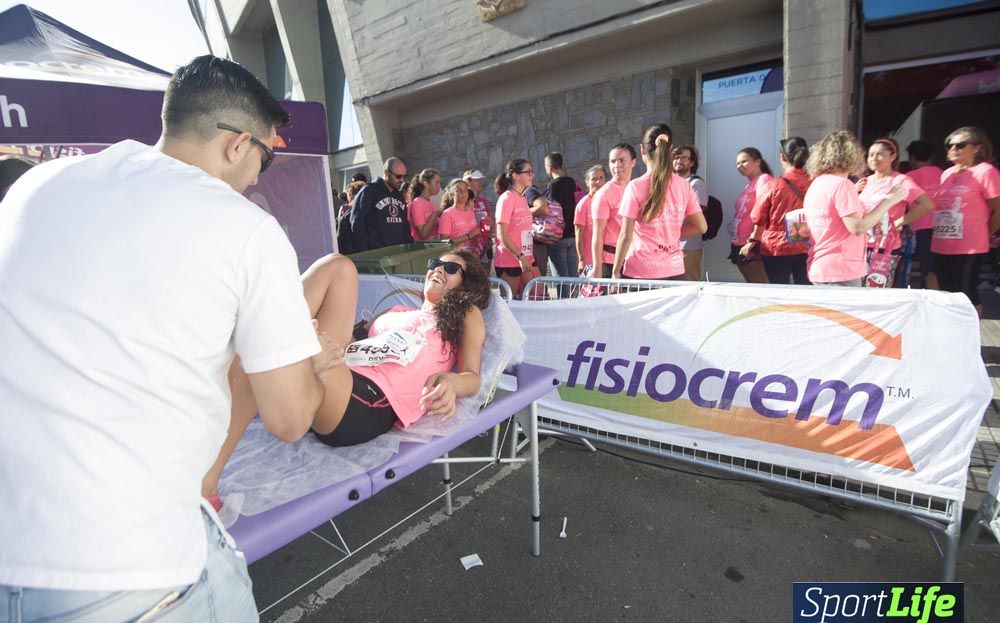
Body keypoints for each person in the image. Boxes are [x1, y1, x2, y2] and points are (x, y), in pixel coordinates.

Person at [0, 55, 339, 622]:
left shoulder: (36, 185)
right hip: (134, 571)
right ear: (236, 145)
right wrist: (311, 358)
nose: (261, 174)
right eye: (267, 155)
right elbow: (288, 417)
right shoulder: (245, 228)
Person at [202, 250, 489, 496]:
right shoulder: (396, 311)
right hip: (339, 374)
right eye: (434, 264)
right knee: (333, 271)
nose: (438, 269)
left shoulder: (466, 313)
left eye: (451, 268)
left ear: (466, 285)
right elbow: (352, 342)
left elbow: (472, 377)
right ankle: (289, 348)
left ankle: (206, 482)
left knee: (272, 336)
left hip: (368, 401)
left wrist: (451, 382)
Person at [803, 130, 906, 286]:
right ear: (851, 155)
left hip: (820, 266)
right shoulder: (842, 185)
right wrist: (888, 201)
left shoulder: (816, 185)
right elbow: (857, 227)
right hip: (842, 269)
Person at [613, 123, 707, 280]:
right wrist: (674, 231)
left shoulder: (636, 186)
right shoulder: (684, 185)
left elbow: (626, 236)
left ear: (642, 150)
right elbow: (702, 226)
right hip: (674, 269)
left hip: (641, 272)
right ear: (670, 149)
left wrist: (616, 271)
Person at [931, 126, 1000, 315]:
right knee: (947, 293)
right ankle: (953, 334)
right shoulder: (947, 173)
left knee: (966, 293)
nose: (953, 149)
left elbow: (998, 208)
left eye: (960, 145)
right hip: (941, 243)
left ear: (977, 148)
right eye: (949, 145)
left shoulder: (985, 171)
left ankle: (971, 339)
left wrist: (986, 234)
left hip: (970, 245)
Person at [857, 138, 933, 286]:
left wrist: (899, 222)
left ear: (893, 156)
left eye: (880, 154)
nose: (874, 158)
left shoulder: (900, 180)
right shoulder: (866, 181)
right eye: (871, 154)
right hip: (861, 246)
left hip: (885, 248)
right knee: (859, 293)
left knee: (878, 293)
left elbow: (926, 204)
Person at [740, 137, 812, 284]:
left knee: (779, 291)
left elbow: (758, 217)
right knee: (807, 292)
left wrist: (752, 241)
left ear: (783, 157)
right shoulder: (816, 182)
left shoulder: (773, 185)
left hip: (777, 247)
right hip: (808, 244)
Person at [590, 143, 637, 278]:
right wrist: (597, 267)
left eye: (622, 160)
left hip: (634, 260)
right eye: (612, 161)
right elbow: (597, 234)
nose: (617, 166)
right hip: (610, 261)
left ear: (633, 162)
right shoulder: (604, 194)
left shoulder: (636, 189)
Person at [493, 158, 538, 297]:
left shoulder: (523, 198)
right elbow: (502, 235)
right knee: (509, 304)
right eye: (528, 172)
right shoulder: (506, 198)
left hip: (527, 257)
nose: (532, 175)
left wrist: (526, 256)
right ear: (516, 175)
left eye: (532, 172)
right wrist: (520, 256)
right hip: (510, 259)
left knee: (539, 296)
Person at [729, 147, 773, 283]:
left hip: (752, 243)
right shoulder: (749, 185)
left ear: (757, 161)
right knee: (751, 284)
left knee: (760, 285)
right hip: (739, 241)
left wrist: (753, 241)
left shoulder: (763, 179)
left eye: (744, 161)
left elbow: (764, 210)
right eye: (737, 163)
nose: (739, 166)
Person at [350, 157, 411, 251]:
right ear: (386, 173)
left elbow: (405, 226)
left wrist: (408, 247)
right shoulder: (369, 191)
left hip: (398, 253)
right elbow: (356, 221)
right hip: (377, 254)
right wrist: (365, 251)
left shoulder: (399, 195)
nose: (402, 180)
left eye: (404, 176)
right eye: (398, 176)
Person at [905, 140, 943, 289]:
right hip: (944, 225)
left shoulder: (909, 177)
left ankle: (933, 298)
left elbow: (904, 203)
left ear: (912, 158)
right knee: (938, 265)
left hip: (923, 226)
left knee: (928, 266)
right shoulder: (942, 173)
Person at [671, 145, 708, 280]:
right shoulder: (671, 183)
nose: (679, 161)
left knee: (689, 283)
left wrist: (669, 226)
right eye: (676, 157)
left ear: (692, 162)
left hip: (688, 246)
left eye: (684, 158)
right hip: (670, 245)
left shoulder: (696, 184)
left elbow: (695, 215)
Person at [545, 152, 580, 280]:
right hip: (573, 235)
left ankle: (564, 300)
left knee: (561, 276)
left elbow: (550, 211)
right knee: (573, 275)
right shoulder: (572, 183)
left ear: (549, 167)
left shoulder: (553, 185)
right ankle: (576, 300)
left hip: (558, 237)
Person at [438, 178, 484, 254]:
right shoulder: (447, 214)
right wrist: (468, 236)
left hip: (472, 256)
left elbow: (475, 233)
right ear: (451, 194)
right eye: (459, 191)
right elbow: (445, 241)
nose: (463, 193)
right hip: (456, 256)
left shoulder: (471, 212)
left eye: (466, 190)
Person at [575, 164, 606, 275]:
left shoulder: (608, 200)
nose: (598, 182)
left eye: (601, 178)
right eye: (594, 179)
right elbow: (578, 235)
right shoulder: (583, 205)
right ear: (587, 182)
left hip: (608, 259)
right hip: (590, 261)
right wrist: (582, 260)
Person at [464, 168, 494, 271]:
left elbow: (489, 221)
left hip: (485, 242)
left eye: (481, 180)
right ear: (468, 181)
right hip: (469, 244)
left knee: (486, 273)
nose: (480, 182)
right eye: (477, 180)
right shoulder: (462, 201)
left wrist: (489, 222)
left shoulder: (483, 200)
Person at [407, 168, 443, 241]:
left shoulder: (429, 202)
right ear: (426, 184)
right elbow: (423, 234)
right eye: (437, 182)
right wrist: (435, 215)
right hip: (423, 250)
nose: (439, 186)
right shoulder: (417, 203)